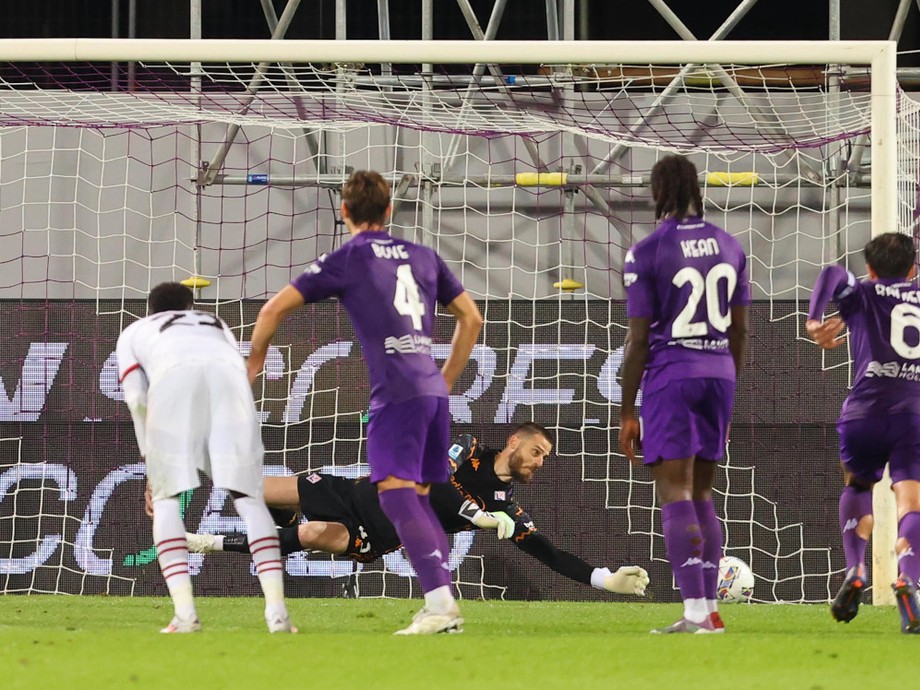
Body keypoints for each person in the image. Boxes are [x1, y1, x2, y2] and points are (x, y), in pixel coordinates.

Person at [247, 170, 483, 635]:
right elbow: (471, 318)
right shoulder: (424, 255)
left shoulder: (349, 256)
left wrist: (253, 362)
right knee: (418, 499)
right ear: (390, 210)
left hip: (395, 395)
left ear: (344, 212)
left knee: (395, 498)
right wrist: (446, 378)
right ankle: (442, 606)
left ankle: (441, 606)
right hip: (432, 393)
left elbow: (272, 310)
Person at [185, 424, 650, 596]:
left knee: (310, 537)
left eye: (546, 457)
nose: (540, 460)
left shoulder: (507, 510)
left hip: (379, 531)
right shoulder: (465, 448)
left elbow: (551, 554)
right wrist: (476, 515)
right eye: (537, 450)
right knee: (250, 487)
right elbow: (434, 479)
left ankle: (211, 542)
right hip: (356, 491)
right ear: (514, 441)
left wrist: (603, 578)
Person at [807, 233, 920, 635]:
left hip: (865, 411)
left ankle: (855, 567)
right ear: (914, 269)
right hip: (918, 415)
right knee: (916, 503)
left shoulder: (864, 294)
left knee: (858, 485)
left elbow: (832, 272)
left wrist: (815, 320)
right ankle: (907, 580)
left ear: (870, 269)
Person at [619, 154, 750, 634]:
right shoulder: (730, 246)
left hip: (673, 373)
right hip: (719, 372)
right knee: (703, 492)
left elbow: (637, 340)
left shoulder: (647, 251)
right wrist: (728, 390)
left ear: (659, 193)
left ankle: (695, 612)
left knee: (674, 490)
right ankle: (711, 612)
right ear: (696, 190)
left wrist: (627, 409)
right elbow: (740, 332)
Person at [116, 282, 294, 634]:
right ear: (190, 306)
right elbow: (239, 370)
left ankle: (185, 615)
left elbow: (137, 399)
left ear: (151, 309)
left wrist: (152, 463)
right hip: (231, 386)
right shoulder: (214, 322)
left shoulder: (135, 331)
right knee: (250, 500)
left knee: (167, 501)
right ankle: (278, 615)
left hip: (173, 384)